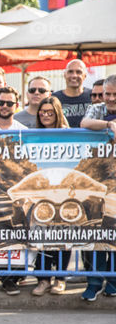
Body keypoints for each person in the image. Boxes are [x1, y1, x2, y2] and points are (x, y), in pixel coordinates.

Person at [78, 74, 116, 301]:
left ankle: (113, 281)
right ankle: (93, 281)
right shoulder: (98, 109)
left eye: (114, 95)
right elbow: (84, 123)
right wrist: (109, 124)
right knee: (96, 230)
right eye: (107, 94)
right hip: (97, 180)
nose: (110, 99)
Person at [29, 95, 71, 297]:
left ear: (57, 113)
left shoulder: (69, 133)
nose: (45, 115)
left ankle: (60, 278)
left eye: (50, 112)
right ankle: (43, 279)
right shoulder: (33, 134)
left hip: (64, 191)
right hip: (41, 191)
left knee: (63, 236)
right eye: (42, 112)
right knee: (43, 237)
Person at [53, 59, 92, 128]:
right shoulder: (55, 98)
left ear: (85, 76)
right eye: (70, 72)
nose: (74, 75)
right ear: (64, 75)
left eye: (78, 72)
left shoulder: (93, 95)